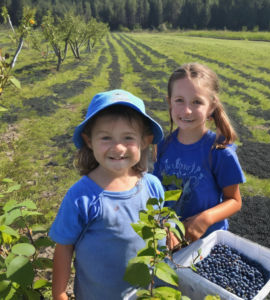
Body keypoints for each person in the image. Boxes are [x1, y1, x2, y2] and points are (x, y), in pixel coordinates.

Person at [49, 90, 164, 300]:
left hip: (147, 292)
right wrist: (59, 293)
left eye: (128, 137)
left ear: (145, 141)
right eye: (106, 137)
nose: (118, 147)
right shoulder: (81, 197)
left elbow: (158, 228)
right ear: (89, 141)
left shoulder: (153, 186)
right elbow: (64, 248)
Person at [153, 62, 246, 248]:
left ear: (211, 106)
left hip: (207, 244)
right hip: (168, 239)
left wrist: (205, 218)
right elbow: (156, 194)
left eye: (196, 102)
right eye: (179, 100)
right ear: (169, 101)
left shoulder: (220, 153)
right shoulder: (163, 146)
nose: (186, 110)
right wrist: (162, 226)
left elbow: (234, 200)